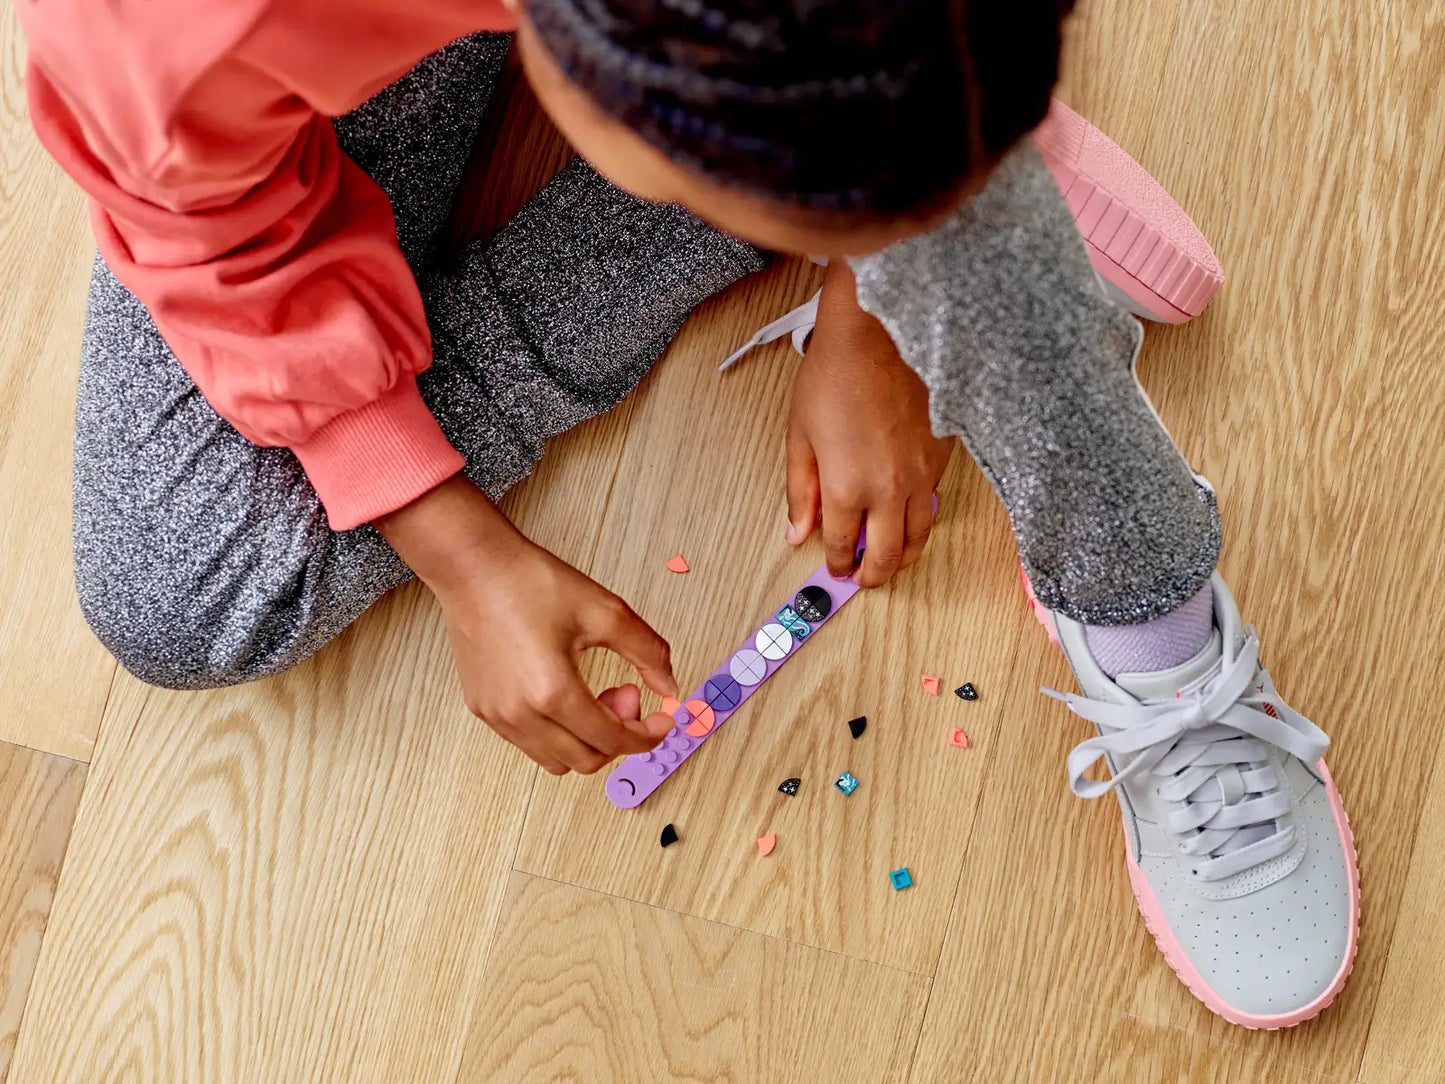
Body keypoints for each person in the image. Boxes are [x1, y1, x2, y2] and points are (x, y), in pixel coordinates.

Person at [20, 0, 1355, 1028]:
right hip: (284, 74)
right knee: (181, 594)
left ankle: (1126, 567)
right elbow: (215, 236)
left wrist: (872, 309)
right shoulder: (170, 30)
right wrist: (452, 542)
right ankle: (918, 181)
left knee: (963, 241)